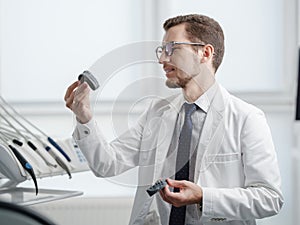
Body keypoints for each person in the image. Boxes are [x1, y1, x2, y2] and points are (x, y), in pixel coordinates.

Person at [64, 14, 283, 225]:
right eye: (161, 50)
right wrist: (84, 117)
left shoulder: (247, 118)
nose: (161, 59)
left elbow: (269, 198)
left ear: (205, 53)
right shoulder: (157, 113)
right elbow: (107, 164)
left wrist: (203, 197)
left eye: (172, 49)